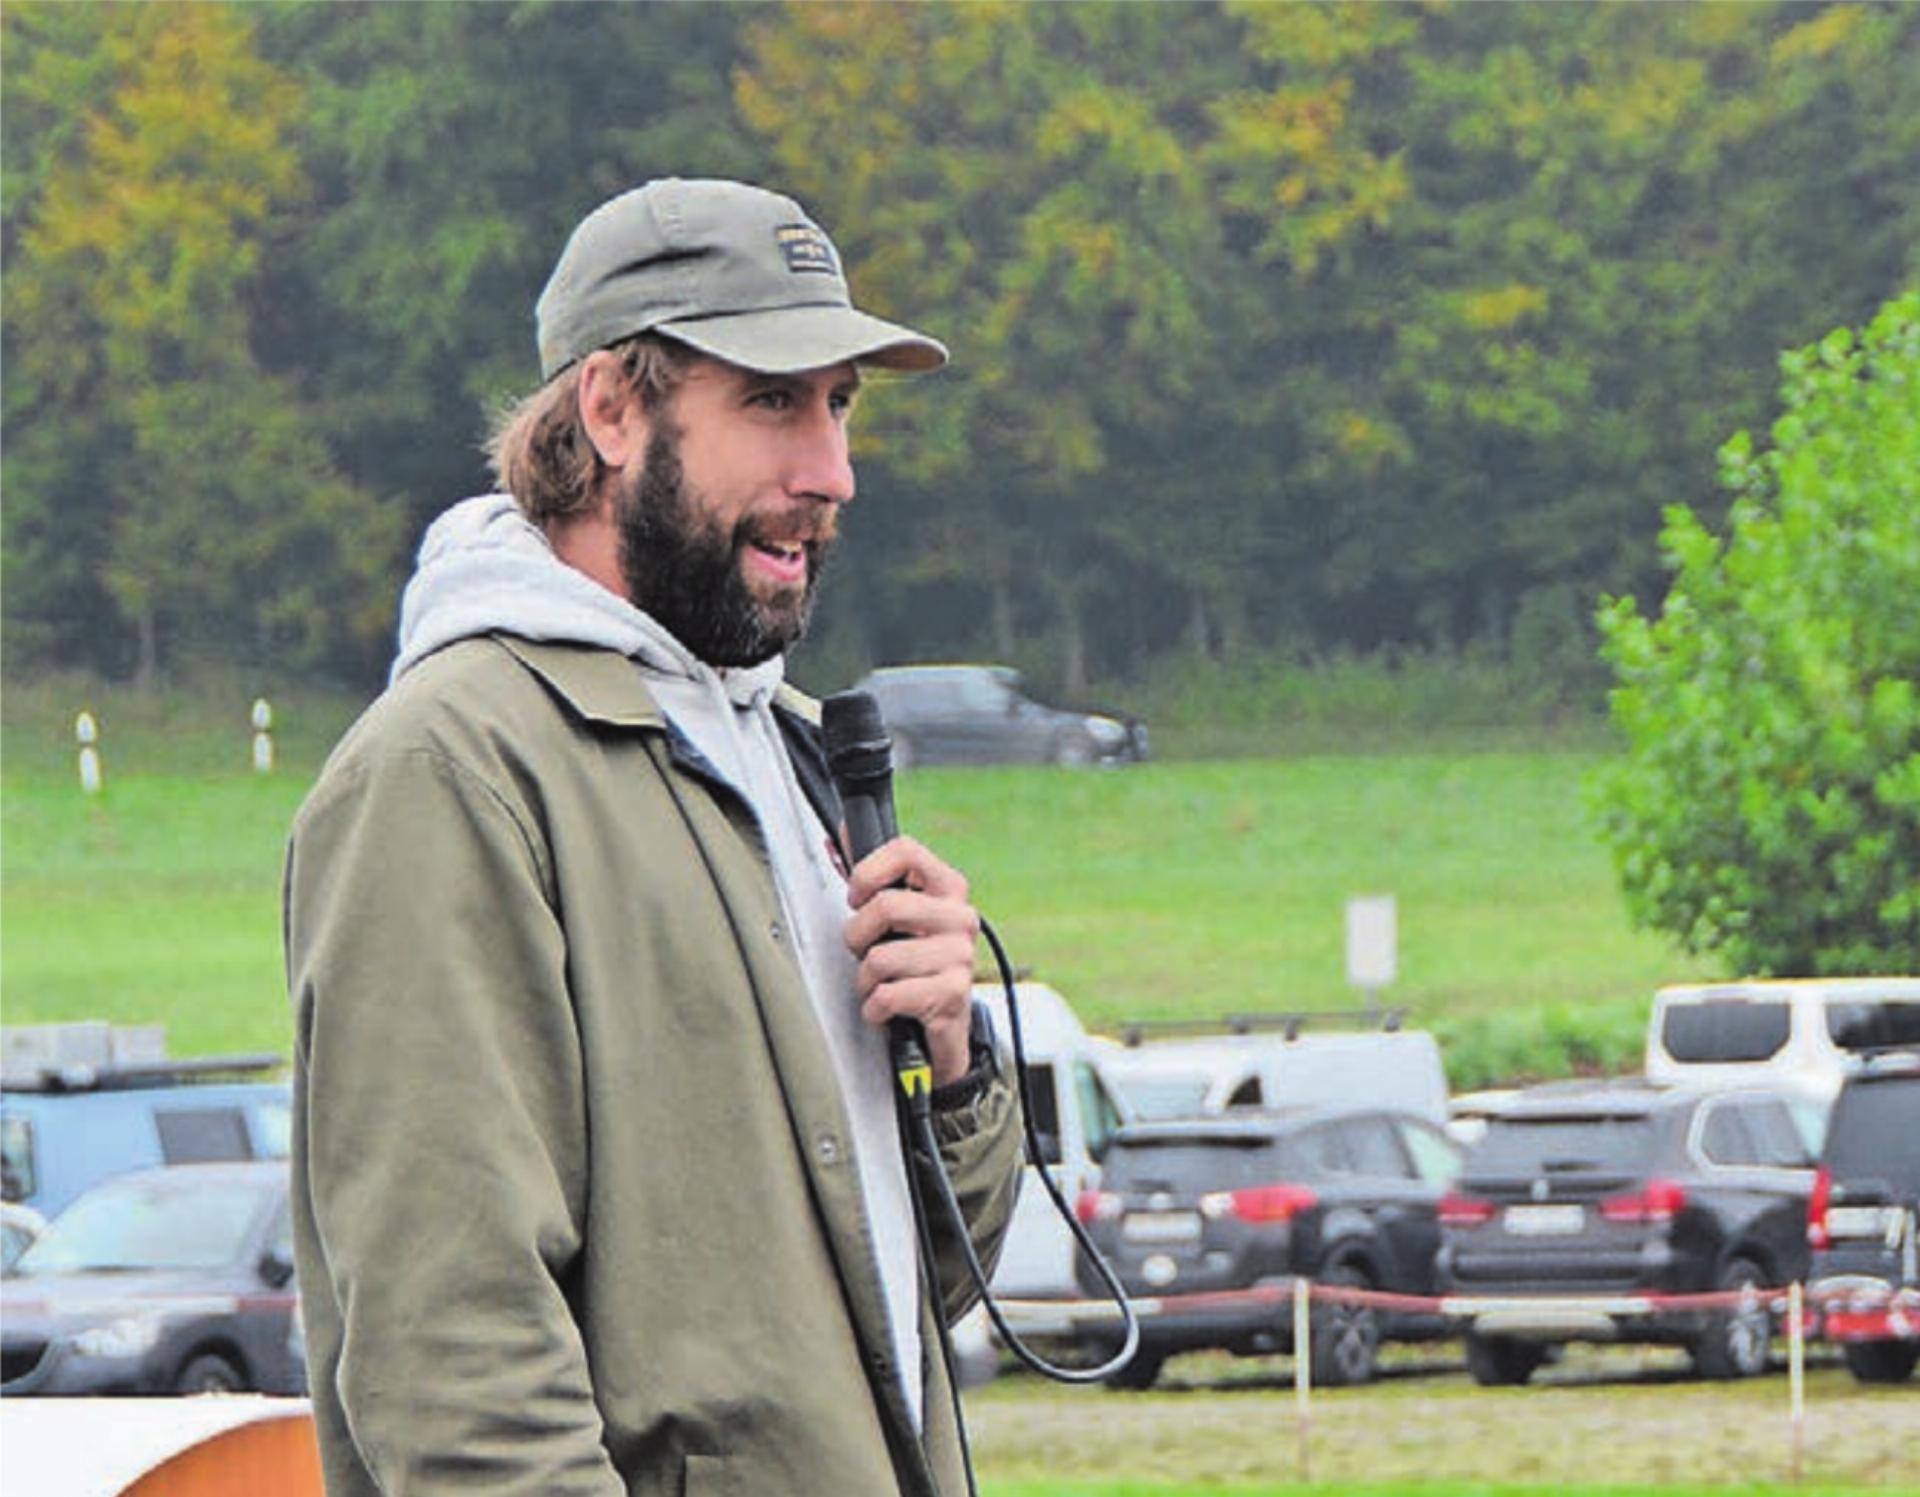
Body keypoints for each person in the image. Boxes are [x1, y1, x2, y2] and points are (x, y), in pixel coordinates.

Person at [285, 177, 1023, 1497]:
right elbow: (451, 1358)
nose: (832, 472)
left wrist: (949, 1068)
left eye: (840, 405)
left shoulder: (785, 758)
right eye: (771, 401)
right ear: (611, 410)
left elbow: (908, 1302)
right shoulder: (448, 771)